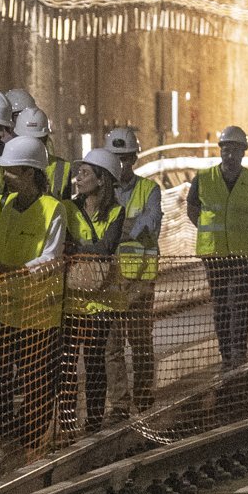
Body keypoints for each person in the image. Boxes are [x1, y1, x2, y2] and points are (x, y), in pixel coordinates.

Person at [0, 130, 68, 451]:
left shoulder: (52, 209)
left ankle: (29, 440)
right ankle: (9, 432)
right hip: (4, 310)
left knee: (36, 382)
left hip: (39, 315)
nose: (4, 176)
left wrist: (12, 272)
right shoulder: (1, 203)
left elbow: (51, 257)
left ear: (30, 172)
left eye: (11, 170)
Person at [188, 124, 248, 372]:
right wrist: (210, 232)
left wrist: (246, 234)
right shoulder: (203, 180)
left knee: (239, 301)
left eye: (235, 150)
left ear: (244, 152)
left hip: (242, 252)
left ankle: (239, 351)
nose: (230, 155)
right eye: (226, 149)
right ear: (220, 151)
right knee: (221, 303)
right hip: (213, 253)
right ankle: (226, 353)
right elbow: (193, 211)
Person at [61, 147, 131, 434]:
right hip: (71, 302)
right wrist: (83, 250)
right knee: (66, 365)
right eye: (79, 172)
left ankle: (92, 421)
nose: (79, 177)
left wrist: (77, 250)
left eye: (86, 172)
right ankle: (65, 421)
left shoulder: (116, 211)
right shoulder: (67, 208)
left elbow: (105, 249)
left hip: (102, 303)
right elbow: (64, 244)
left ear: (102, 179)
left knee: (93, 363)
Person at [97, 125, 160, 400]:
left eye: (125, 158)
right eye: (115, 157)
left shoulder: (150, 190)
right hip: (107, 280)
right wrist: (128, 227)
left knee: (140, 342)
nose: (120, 164)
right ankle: (120, 404)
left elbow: (149, 227)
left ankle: (144, 396)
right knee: (111, 347)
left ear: (134, 159)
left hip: (140, 281)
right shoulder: (99, 193)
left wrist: (116, 230)